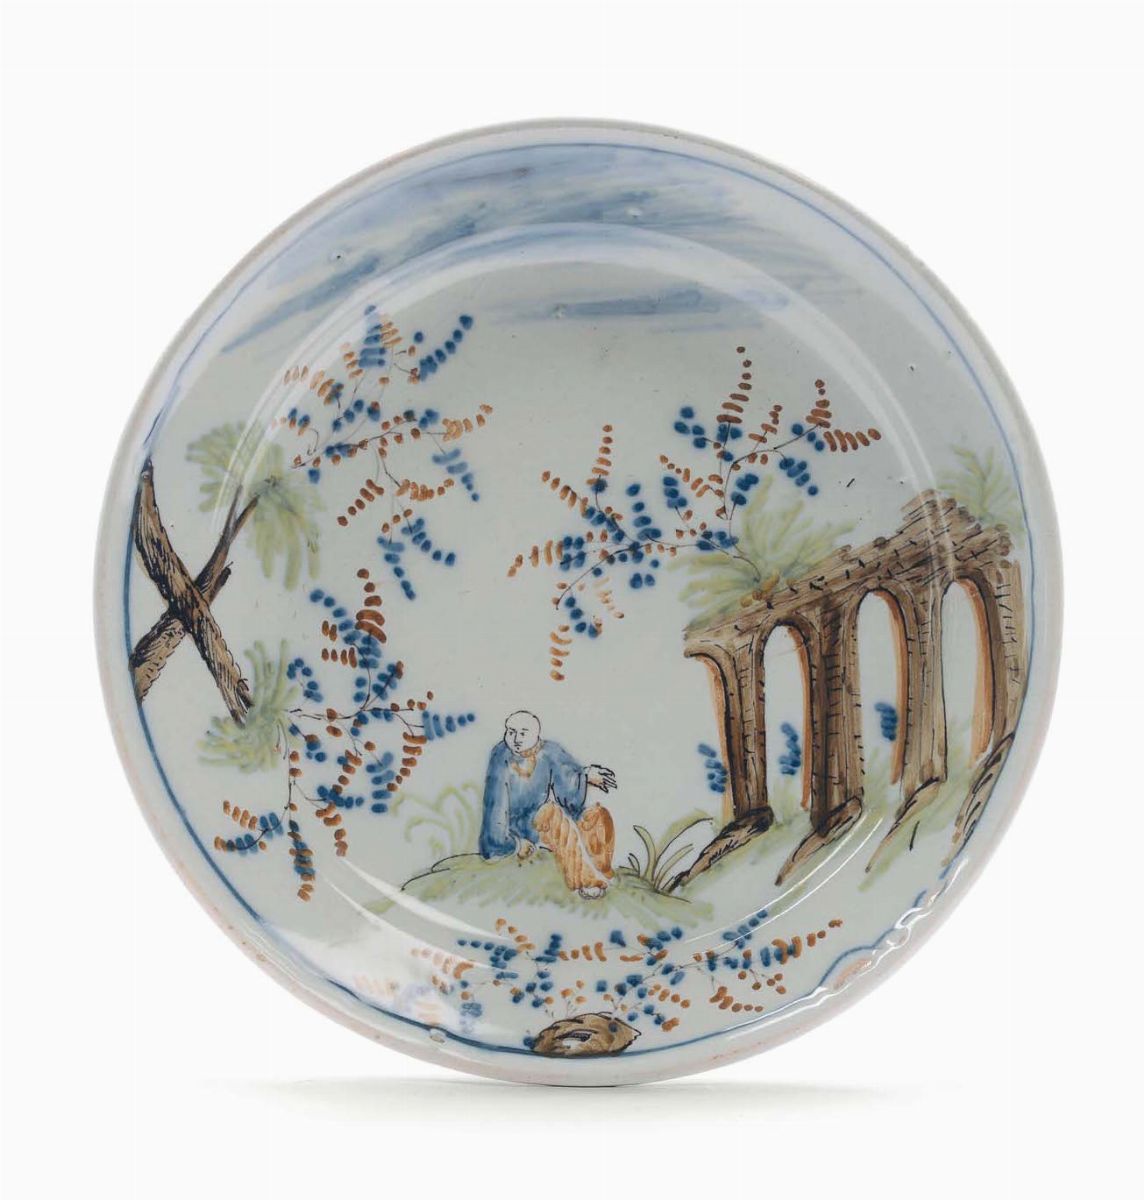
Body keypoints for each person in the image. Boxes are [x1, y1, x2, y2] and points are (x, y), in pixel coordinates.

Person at [479, 710, 617, 898]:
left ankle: (601, 870)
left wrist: (585, 776)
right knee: (551, 812)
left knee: (596, 815)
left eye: (523, 733)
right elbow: (496, 808)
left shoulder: (549, 751)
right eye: (511, 732)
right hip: (516, 829)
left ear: (536, 735)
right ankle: (586, 881)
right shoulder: (500, 756)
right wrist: (516, 845)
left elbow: (569, 791)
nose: (516, 739)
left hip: (539, 823)